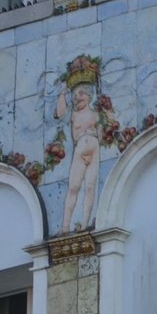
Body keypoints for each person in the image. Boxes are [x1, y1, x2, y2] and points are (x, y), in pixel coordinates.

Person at [57, 81, 103, 231]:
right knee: (73, 187)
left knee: (90, 187)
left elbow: (102, 133)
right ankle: (65, 227)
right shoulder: (74, 114)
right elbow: (59, 113)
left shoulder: (96, 114)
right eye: (74, 95)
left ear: (89, 96)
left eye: (81, 94)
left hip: (94, 150)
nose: (77, 98)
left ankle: (84, 224)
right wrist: (63, 92)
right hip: (80, 149)